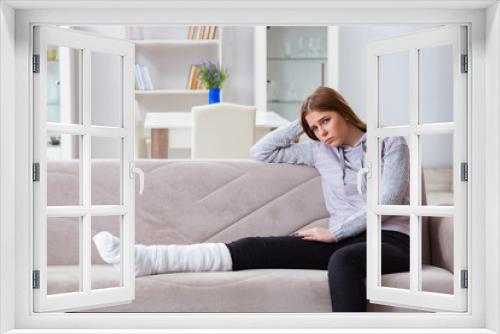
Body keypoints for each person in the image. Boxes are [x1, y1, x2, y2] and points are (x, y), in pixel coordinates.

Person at [93, 86, 410, 312]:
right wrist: (301, 124)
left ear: (343, 111)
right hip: (342, 240)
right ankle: (147, 259)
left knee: (342, 262)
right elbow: (261, 151)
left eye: (326, 120)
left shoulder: (388, 142)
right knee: (253, 247)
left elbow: (387, 201)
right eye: (314, 128)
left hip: (390, 240)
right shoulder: (318, 150)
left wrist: (335, 232)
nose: (322, 132)